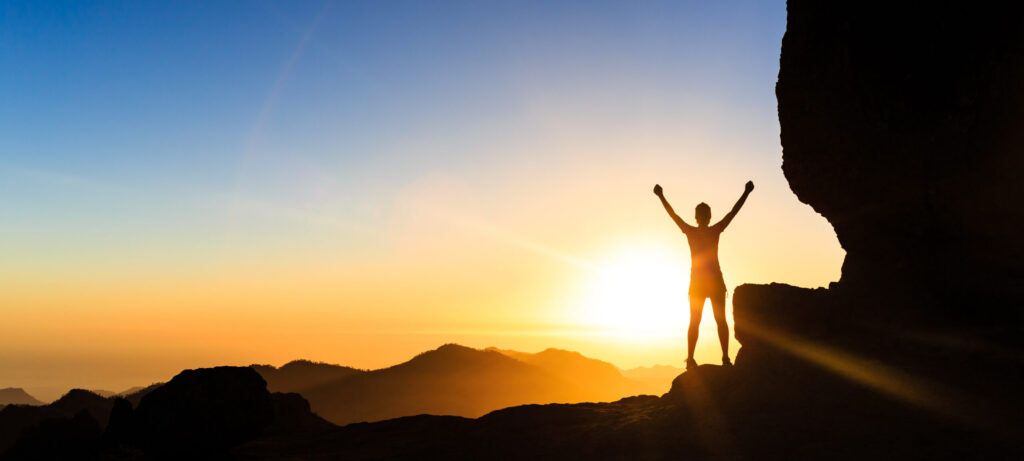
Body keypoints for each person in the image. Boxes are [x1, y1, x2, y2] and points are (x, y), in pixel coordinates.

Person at [654, 181, 753, 370]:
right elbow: (733, 212)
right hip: (714, 282)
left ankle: (691, 359)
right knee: (720, 321)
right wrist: (746, 192)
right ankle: (724, 358)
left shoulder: (690, 231)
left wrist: (661, 196)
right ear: (708, 217)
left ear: (696, 217)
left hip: (699, 283)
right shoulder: (714, 230)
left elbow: (673, 215)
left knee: (695, 322)